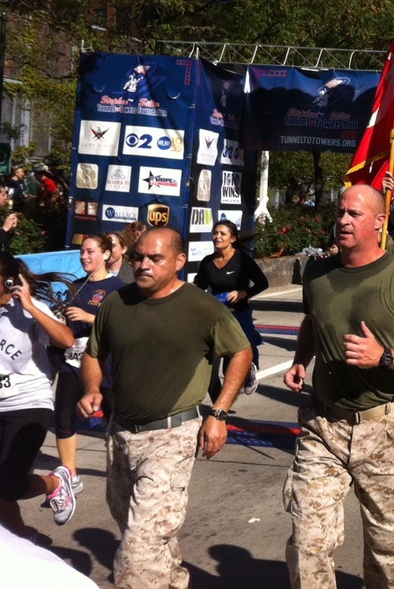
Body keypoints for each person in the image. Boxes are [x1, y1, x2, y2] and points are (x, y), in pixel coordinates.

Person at [282, 184, 394, 589]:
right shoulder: (318, 272)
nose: (342, 219)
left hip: (387, 430)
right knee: (307, 542)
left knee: (388, 555)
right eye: (340, 211)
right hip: (324, 425)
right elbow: (312, 319)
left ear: (379, 223)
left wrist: (385, 356)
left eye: (354, 214)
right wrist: (299, 361)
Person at [78, 227, 251, 588]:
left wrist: (218, 414)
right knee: (142, 531)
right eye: (138, 257)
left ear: (179, 262)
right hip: (121, 433)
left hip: (172, 436)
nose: (143, 265)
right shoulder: (116, 303)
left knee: (137, 556)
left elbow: (241, 351)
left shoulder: (201, 308)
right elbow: (94, 353)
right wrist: (92, 387)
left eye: (155, 259)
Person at [0, 253, 76, 538]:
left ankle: (55, 482)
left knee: (6, 486)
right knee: (5, 489)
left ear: (9, 282)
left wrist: (30, 305)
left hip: (30, 403)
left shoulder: (30, 310)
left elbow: (66, 340)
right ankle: (22, 542)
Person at [54, 234, 125, 493]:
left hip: (104, 364)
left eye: (90, 251)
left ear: (106, 255)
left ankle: (121, 470)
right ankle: (69, 476)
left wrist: (89, 317)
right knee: (63, 418)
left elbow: (123, 328)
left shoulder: (119, 288)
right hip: (72, 362)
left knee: (115, 423)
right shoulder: (76, 286)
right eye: (81, 252)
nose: (84, 256)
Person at [194, 220, 269, 398]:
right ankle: (220, 414)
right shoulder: (207, 262)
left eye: (222, 234)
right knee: (210, 376)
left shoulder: (243, 261)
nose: (217, 237)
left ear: (233, 239)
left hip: (238, 314)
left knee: (234, 365)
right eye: (215, 233)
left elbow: (263, 283)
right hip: (215, 318)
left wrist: (244, 293)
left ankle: (250, 368)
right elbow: (199, 287)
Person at [0, 185, 20, 255]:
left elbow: (3, 240)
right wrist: (5, 228)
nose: (6, 197)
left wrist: (10, 230)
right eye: (3, 195)